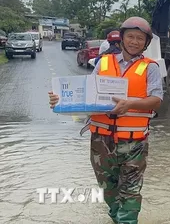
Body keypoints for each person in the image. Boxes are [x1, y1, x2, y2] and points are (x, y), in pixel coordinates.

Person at [48, 16, 163, 224]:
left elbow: (156, 101)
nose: (134, 42)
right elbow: (85, 95)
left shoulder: (151, 67)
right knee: (107, 188)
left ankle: (126, 220)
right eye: (130, 37)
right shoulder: (103, 62)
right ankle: (116, 216)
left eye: (139, 38)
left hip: (134, 142)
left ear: (146, 43)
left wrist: (129, 104)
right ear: (121, 39)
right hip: (101, 140)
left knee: (130, 190)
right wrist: (60, 100)